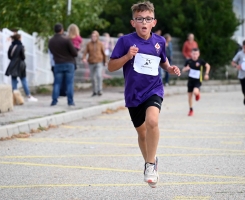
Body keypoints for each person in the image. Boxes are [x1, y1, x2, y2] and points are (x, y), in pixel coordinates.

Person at [108, 1, 181, 188]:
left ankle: (150, 166)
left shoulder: (160, 42)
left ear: (154, 22)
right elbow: (110, 66)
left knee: (153, 122)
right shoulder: (125, 41)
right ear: (133, 22)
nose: (144, 22)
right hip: (133, 94)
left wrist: (170, 68)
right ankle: (152, 160)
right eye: (139, 19)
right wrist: (127, 57)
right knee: (142, 134)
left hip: (154, 89)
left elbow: (163, 61)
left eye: (147, 19)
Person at [49, 23, 78, 106]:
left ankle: (54, 101)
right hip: (69, 63)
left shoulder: (51, 41)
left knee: (57, 83)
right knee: (69, 83)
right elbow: (74, 53)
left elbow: (51, 52)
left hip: (58, 63)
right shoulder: (66, 40)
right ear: (61, 30)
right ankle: (70, 101)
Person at [5, 34, 37, 102]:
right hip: (20, 65)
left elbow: (9, 56)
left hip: (13, 65)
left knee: (14, 81)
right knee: (24, 80)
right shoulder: (21, 46)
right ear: (19, 38)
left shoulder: (11, 46)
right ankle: (28, 96)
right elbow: (23, 57)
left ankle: (14, 98)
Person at [182, 48, 210, 116]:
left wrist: (206, 74)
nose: (195, 55)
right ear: (191, 54)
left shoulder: (201, 61)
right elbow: (183, 70)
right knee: (189, 96)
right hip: (190, 81)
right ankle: (191, 109)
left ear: (198, 54)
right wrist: (186, 69)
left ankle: (197, 94)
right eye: (193, 54)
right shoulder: (188, 61)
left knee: (195, 91)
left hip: (198, 80)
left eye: (196, 54)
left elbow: (208, 66)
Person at [82, 30, 106, 96]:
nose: (93, 37)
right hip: (91, 62)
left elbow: (103, 53)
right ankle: (94, 91)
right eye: (92, 36)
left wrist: (105, 61)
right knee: (93, 77)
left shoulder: (100, 44)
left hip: (99, 62)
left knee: (99, 75)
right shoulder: (89, 44)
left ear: (97, 37)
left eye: (95, 36)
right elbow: (85, 52)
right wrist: (84, 58)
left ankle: (100, 90)